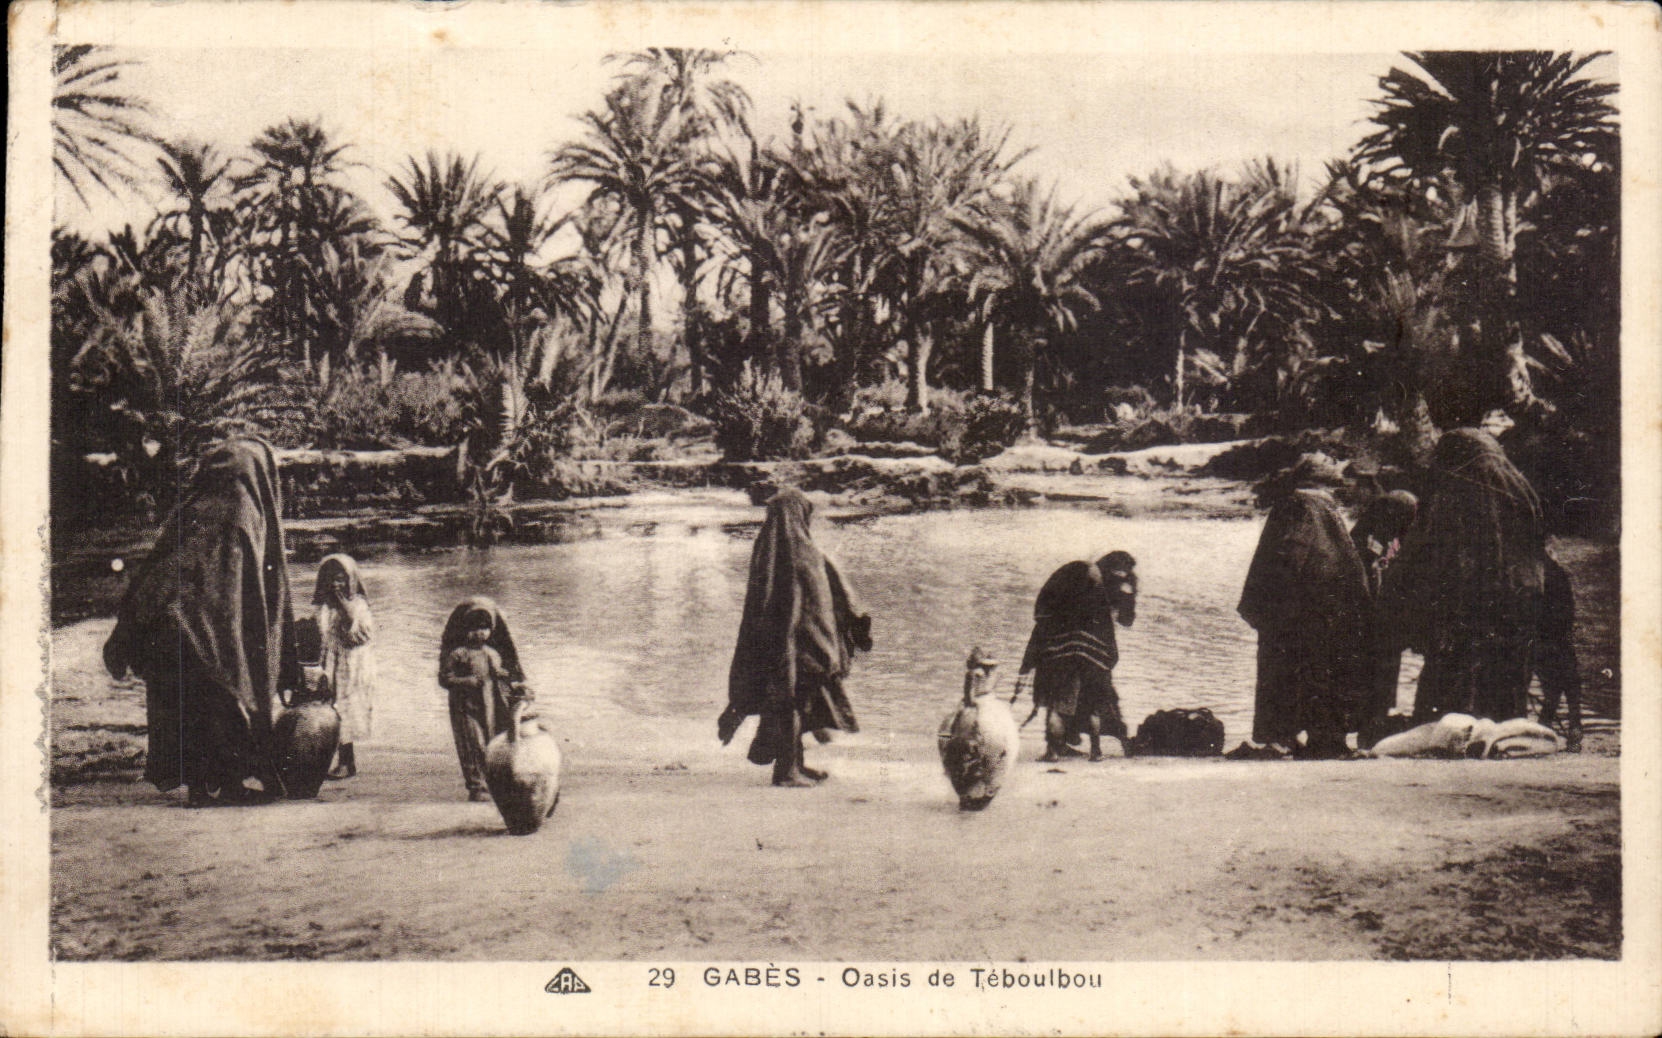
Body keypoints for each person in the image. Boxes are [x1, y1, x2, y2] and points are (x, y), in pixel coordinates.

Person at [103, 437, 301, 807]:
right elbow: (245, 594)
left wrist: (131, 629)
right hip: (203, 633)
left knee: (184, 711)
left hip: (169, 625)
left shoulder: (192, 508)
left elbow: (158, 568)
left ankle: (199, 789)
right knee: (221, 707)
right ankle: (229, 785)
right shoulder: (245, 513)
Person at [1383, 428, 1545, 723]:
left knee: (1452, 694)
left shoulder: (1453, 491)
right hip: (1518, 606)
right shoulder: (1521, 491)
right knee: (1505, 690)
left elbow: (1424, 555)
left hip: (1462, 610)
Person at [719, 488, 872, 787]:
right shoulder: (804, 552)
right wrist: (848, 634)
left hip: (775, 644)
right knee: (794, 704)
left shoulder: (767, 552)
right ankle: (787, 771)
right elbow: (831, 598)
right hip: (799, 644)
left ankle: (796, 764)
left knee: (794, 703)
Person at [1237, 457, 1370, 758]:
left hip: (1299, 608)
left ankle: (1283, 737)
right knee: (1322, 671)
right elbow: (1303, 554)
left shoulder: (1298, 504)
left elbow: (1288, 556)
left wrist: (1274, 603)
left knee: (1288, 671)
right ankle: (1323, 738)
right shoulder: (1313, 506)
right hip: (1320, 607)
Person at [1018, 551, 1137, 762]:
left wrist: (1034, 656)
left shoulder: (1074, 574)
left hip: (1059, 650)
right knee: (1094, 705)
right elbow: (1126, 620)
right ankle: (1096, 752)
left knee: (1058, 704)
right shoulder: (1112, 587)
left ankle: (1053, 751)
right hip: (1094, 655)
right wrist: (1128, 593)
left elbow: (1043, 611)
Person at [439, 597, 526, 801]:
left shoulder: (491, 653)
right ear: (465, 630)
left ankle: (494, 783)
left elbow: (501, 671)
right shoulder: (458, 654)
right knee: (472, 742)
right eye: (474, 629)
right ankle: (476, 786)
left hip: (487, 703)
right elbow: (445, 678)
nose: (480, 633)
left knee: (491, 740)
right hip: (464, 704)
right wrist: (466, 681)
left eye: (484, 629)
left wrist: (511, 680)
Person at [1349, 491, 1418, 737]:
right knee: (1371, 672)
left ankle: (1377, 721)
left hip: (1387, 619)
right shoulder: (1363, 540)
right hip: (1367, 618)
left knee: (1385, 672)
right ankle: (1369, 724)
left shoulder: (1399, 538)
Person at [313, 554, 377, 779]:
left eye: (341, 579)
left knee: (346, 709)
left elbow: (357, 633)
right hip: (333, 661)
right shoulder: (325, 607)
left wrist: (342, 603)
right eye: (331, 579)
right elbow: (322, 636)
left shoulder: (358, 605)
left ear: (350, 580)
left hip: (353, 664)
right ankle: (334, 759)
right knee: (331, 706)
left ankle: (347, 762)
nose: (335, 584)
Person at [1534, 550, 1584, 752]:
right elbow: (1568, 610)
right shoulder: (1557, 573)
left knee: (1555, 684)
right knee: (1567, 682)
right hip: (1558, 634)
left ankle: (1548, 726)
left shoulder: (1543, 574)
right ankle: (1572, 727)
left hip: (1544, 635)